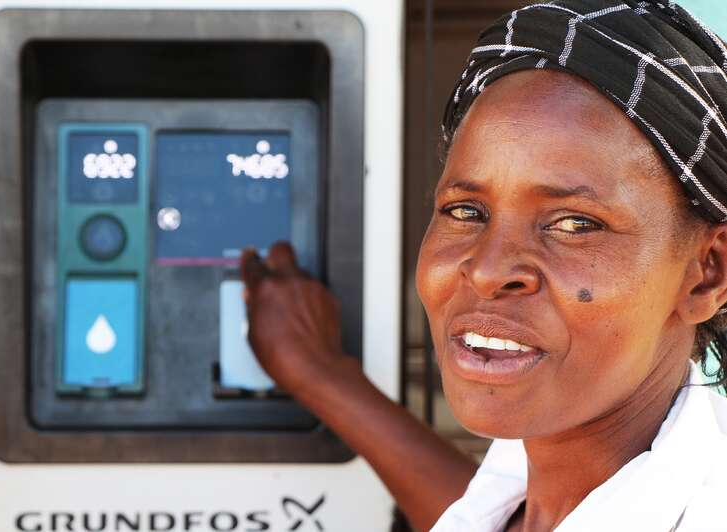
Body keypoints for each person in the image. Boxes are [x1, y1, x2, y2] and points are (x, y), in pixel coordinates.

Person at [240, 1, 727, 530]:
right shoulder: (533, 474)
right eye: (466, 211)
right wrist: (322, 376)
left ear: (708, 273)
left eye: (574, 224)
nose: (489, 269)